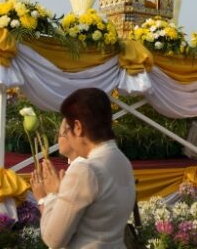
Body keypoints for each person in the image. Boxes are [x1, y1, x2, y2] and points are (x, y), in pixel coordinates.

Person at [31, 87, 135, 248]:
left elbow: (53, 238)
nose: (66, 137)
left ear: (78, 127)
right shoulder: (122, 160)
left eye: (66, 130)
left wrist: (48, 196)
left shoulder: (86, 171)